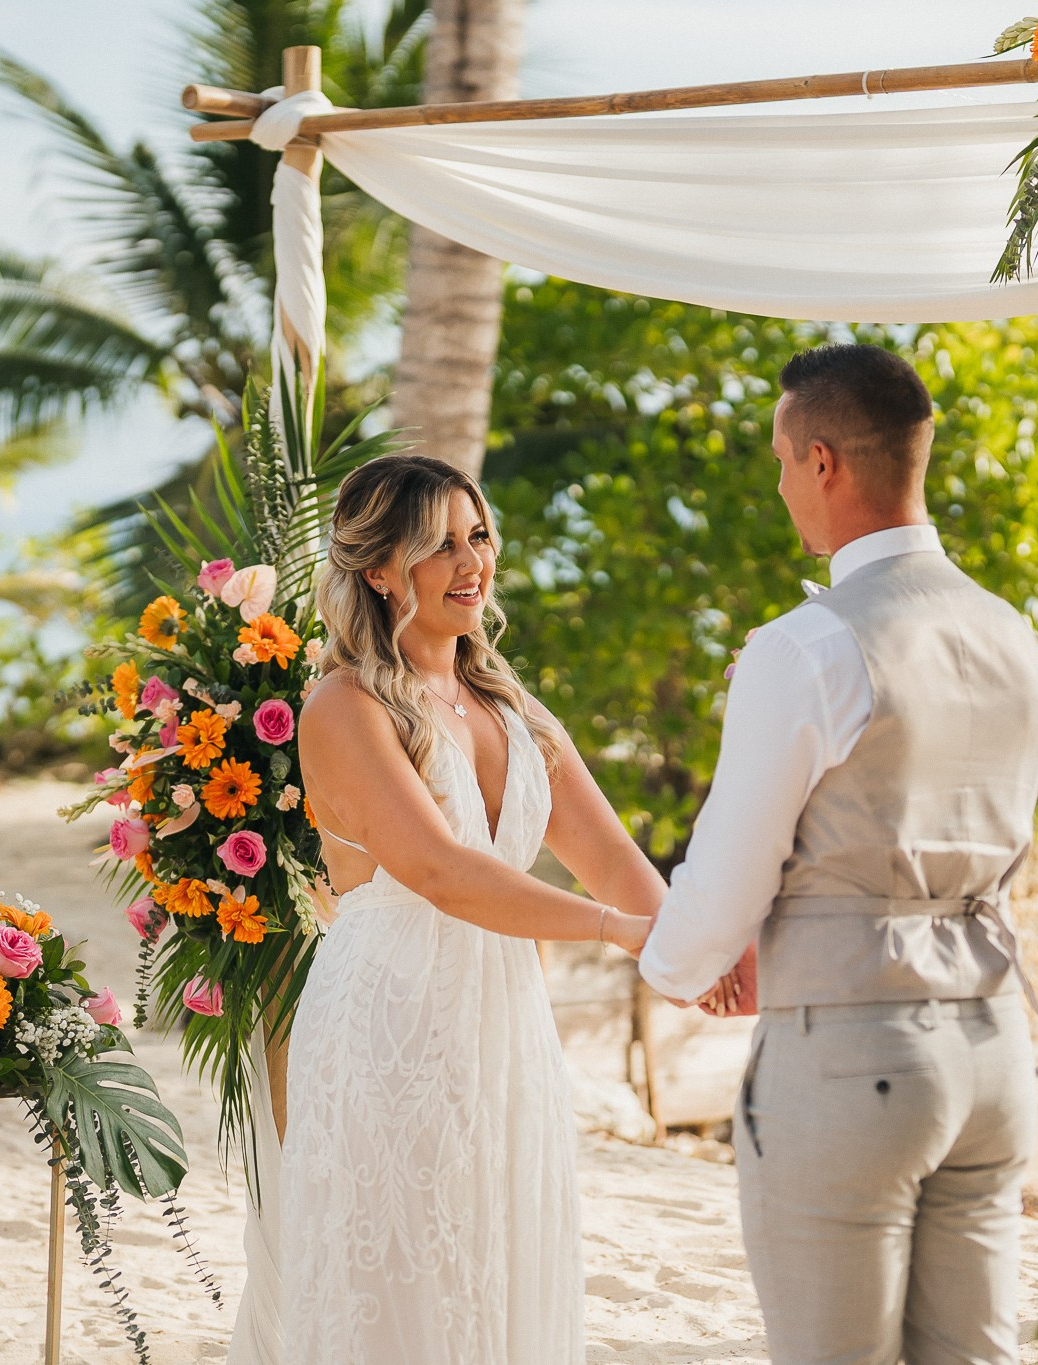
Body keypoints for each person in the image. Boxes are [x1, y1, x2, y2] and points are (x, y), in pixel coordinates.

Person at [639, 344, 1038, 1365]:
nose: (781, 486)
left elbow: (728, 879)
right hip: (994, 1049)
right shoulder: (1014, 635)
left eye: (781, 462)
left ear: (820, 461)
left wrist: (675, 962)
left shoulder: (806, 645)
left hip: (854, 1055)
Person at [281, 454, 664, 1365]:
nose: (471, 562)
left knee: (503, 1257)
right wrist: (614, 932)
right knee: (405, 1280)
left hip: (505, 1022)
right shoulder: (344, 705)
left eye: (479, 536)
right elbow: (442, 871)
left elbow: (613, 858)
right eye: (440, 544)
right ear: (381, 568)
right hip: (389, 1020)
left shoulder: (512, 708)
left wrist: (695, 945)